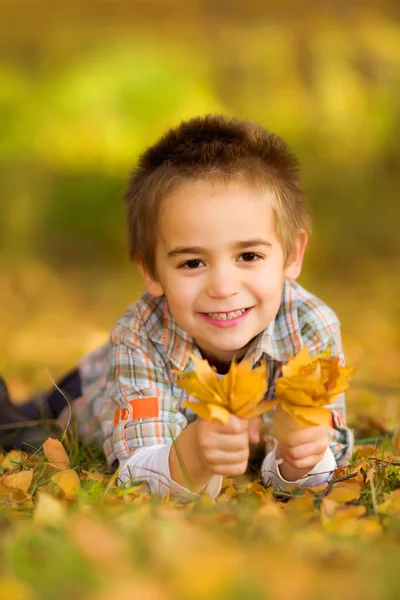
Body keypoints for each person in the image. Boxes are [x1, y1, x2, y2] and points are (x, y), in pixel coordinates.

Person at [0, 115, 353, 499]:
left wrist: (300, 460)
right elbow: (136, 471)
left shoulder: (310, 327)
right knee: (23, 432)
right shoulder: (139, 334)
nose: (222, 287)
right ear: (151, 271)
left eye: (248, 255)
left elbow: (327, 457)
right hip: (86, 391)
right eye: (192, 263)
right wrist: (192, 459)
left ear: (291, 255)